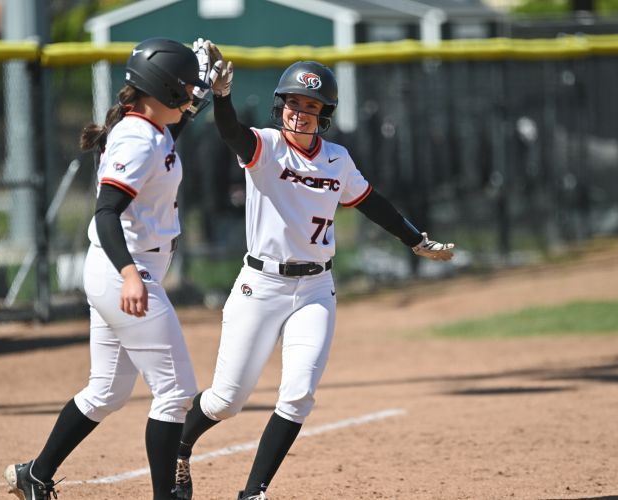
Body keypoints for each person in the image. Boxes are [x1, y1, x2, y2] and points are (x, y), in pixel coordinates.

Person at [172, 43, 455, 500]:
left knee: (299, 395)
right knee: (226, 401)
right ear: (281, 107)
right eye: (294, 103)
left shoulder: (337, 159)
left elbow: (371, 204)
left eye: (311, 106)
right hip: (260, 285)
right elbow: (231, 135)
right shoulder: (264, 146)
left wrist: (415, 240)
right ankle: (178, 450)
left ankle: (253, 493)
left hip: (316, 287)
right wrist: (221, 98)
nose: (299, 113)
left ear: (324, 114)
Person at [3, 37, 212, 500]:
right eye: (185, 85)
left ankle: (34, 474)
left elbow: (171, 138)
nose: (190, 91)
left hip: (118, 270)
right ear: (162, 88)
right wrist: (130, 273)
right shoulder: (137, 138)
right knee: (176, 392)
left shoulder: (150, 129)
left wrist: (206, 95)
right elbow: (106, 212)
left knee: (107, 391)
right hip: (126, 271)